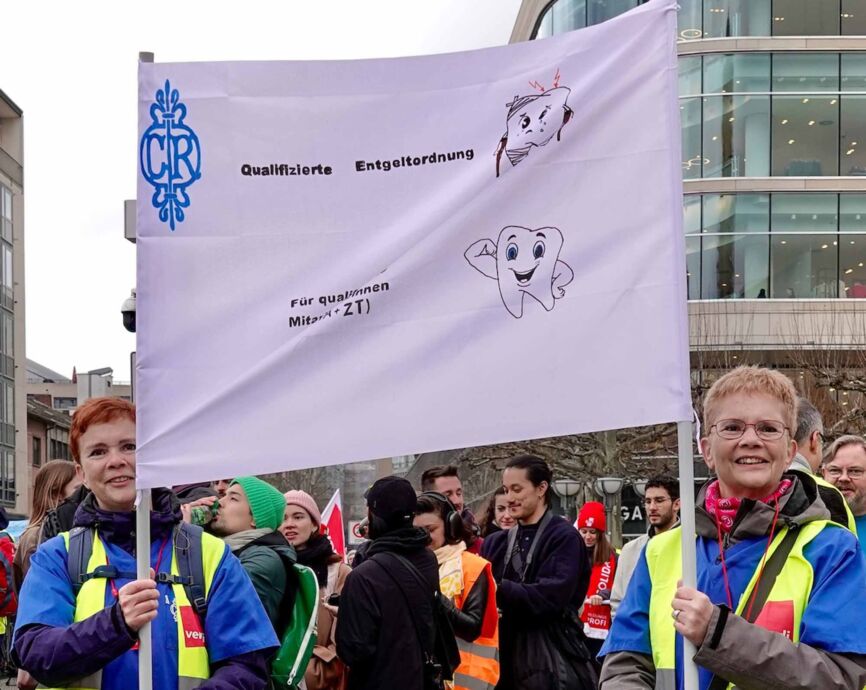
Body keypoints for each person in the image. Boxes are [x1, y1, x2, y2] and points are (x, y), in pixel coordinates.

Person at [600, 366, 866, 689]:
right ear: (706, 450)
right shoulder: (660, 551)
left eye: (768, 428)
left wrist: (718, 634)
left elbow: (840, 678)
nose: (750, 440)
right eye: (732, 428)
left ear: (789, 452)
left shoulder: (832, 549)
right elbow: (624, 667)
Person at [13, 397, 279, 689]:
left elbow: (247, 668)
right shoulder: (57, 555)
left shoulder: (211, 554)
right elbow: (35, 653)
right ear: (82, 474)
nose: (116, 461)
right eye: (98, 452)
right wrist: (115, 624)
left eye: (129, 446)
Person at [481, 455, 595, 690]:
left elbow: (550, 598)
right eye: (506, 490)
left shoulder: (564, 538)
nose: (509, 498)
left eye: (517, 489)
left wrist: (498, 588)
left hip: (551, 661)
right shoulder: (495, 542)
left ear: (541, 488)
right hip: (500, 665)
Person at [336, 475, 459, 690]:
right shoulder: (427, 558)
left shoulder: (363, 576)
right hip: (421, 681)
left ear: (375, 516)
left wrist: (347, 613)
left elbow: (354, 650)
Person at [414, 492, 499, 690]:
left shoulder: (473, 567)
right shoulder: (409, 568)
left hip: (466, 682)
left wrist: (435, 596)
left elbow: (472, 628)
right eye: (417, 531)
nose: (424, 537)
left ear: (451, 527)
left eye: (430, 529)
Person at [194, 476, 297, 634]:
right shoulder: (224, 549)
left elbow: (222, 602)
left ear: (255, 518)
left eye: (233, 498)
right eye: (224, 496)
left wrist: (188, 533)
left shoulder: (264, 558)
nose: (219, 502)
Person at [282, 489, 350, 690]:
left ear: (314, 524)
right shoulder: (271, 566)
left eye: (298, 517)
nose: (289, 524)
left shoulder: (338, 572)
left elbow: (343, 639)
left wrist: (310, 675)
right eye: (283, 518)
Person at [610, 476, 679, 618]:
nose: (652, 507)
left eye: (659, 500)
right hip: (636, 630)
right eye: (648, 501)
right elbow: (618, 602)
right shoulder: (630, 550)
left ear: (676, 504)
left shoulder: (693, 546)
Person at [14, 460, 80, 589]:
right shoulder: (35, 536)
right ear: (56, 494)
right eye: (77, 489)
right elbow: (38, 590)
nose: (84, 494)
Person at [576, 501, 617, 663]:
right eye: (584, 531)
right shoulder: (571, 553)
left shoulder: (613, 558)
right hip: (576, 623)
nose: (588, 536)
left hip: (602, 627)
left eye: (592, 532)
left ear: (600, 533)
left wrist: (602, 594)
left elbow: (620, 586)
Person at [421, 466, 483, 554]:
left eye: (459, 493)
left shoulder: (480, 546)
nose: (457, 501)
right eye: (448, 495)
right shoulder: (419, 547)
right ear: (429, 499)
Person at [823, 434, 866, 549]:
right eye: (835, 470)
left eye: (855, 471)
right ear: (823, 473)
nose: (843, 478)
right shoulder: (806, 521)